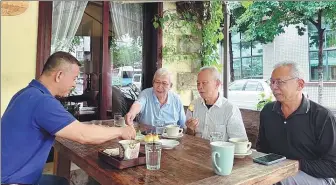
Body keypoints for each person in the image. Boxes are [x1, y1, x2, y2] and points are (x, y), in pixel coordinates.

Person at [1, 51, 136, 185]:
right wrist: (121, 131)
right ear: (59, 75)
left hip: (11, 175)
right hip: (12, 181)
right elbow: (83, 135)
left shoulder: (26, 93)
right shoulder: (42, 101)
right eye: (74, 78)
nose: (74, 84)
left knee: (60, 182)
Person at [256, 62, 336, 185]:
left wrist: (296, 165)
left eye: (280, 82)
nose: (274, 87)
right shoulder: (268, 112)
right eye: (272, 82)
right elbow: (263, 150)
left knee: (275, 180)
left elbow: (332, 166)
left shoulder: (322, 117)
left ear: (300, 84)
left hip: (317, 178)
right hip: (276, 171)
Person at [185, 66, 248, 141]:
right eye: (198, 83)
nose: (200, 87)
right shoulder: (194, 104)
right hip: (196, 151)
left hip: (220, 152)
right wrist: (190, 129)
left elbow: (240, 142)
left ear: (217, 84)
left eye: (204, 83)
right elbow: (187, 137)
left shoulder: (230, 109)